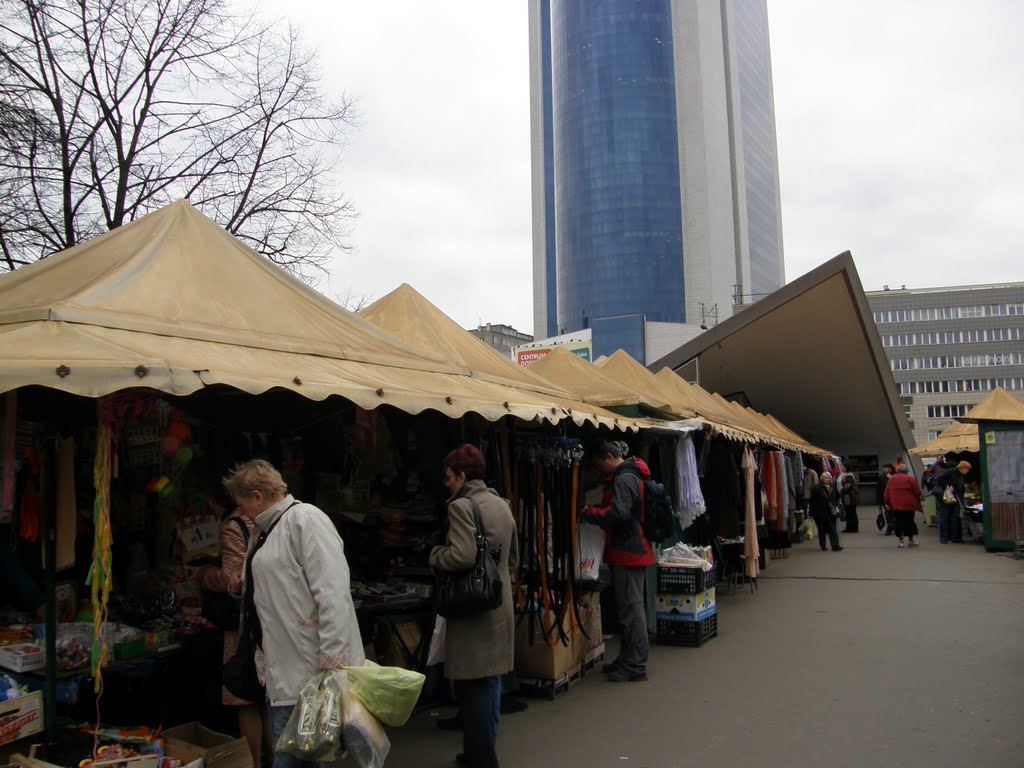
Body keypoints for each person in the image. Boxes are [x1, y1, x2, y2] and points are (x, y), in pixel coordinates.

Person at [223, 459, 364, 768]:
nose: (240, 512)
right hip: (285, 666)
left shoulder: (305, 520)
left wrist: (333, 657)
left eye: (242, 503)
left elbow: (332, 591)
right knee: (304, 756)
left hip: (306, 668)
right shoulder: (267, 530)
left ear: (258, 496)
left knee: (293, 756)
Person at [430, 444, 517, 768]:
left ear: (462, 475)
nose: (446, 484)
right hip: (498, 601)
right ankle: (480, 750)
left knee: (476, 684)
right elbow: (513, 558)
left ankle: (482, 758)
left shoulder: (461, 507)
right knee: (489, 680)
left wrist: (435, 555)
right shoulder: (501, 504)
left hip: (473, 608)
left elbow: (461, 556)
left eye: (449, 477)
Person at [195, 503, 267, 767]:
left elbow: (234, 580)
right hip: (270, 619)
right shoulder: (276, 518)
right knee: (268, 695)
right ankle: (278, 757)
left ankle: (255, 762)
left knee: (244, 696)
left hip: (243, 624)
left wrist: (204, 575)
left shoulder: (235, 525)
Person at [581, 440, 655, 683]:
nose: (600, 470)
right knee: (629, 608)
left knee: (631, 609)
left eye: (600, 464)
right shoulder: (628, 475)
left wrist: (591, 514)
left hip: (628, 551)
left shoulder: (624, 479)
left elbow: (619, 513)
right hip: (629, 549)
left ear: (610, 457)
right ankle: (628, 660)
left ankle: (635, 664)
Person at [883, 464, 923, 548]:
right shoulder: (910, 479)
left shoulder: (891, 479)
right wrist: (918, 501)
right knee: (909, 521)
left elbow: (886, 492)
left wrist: (887, 503)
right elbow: (917, 491)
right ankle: (910, 540)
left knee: (898, 521)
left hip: (896, 504)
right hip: (909, 504)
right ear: (906, 471)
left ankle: (901, 541)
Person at [934, 460, 971, 544]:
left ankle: (955, 537)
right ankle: (944, 537)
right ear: (962, 468)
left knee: (954, 518)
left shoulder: (961, 475)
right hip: (945, 498)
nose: (968, 471)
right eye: (967, 469)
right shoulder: (952, 471)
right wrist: (948, 486)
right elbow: (939, 479)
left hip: (954, 499)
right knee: (945, 517)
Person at [809, 471, 842, 551]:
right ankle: (823, 545)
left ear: (830, 479)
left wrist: (836, 505)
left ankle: (835, 545)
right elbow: (813, 501)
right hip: (820, 512)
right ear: (821, 479)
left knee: (833, 529)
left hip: (831, 511)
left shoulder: (833, 487)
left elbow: (837, 497)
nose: (826, 479)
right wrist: (811, 512)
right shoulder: (816, 488)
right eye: (825, 478)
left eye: (828, 478)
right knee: (821, 530)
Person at [838, 463, 860, 532]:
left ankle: (853, 527)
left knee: (851, 512)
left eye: (842, 467)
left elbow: (848, 486)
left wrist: (841, 490)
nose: (841, 468)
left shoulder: (849, 475)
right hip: (846, 497)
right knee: (848, 512)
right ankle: (849, 527)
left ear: (846, 467)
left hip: (850, 497)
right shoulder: (844, 475)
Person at [876, 463, 895, 535]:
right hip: (885, 498)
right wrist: (879, 500)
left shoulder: (894, 476)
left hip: (894, 498)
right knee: (888, 513)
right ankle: (890, 527)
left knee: (894, 513)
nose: (884, 469)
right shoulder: (882, 477)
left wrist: (891, 478)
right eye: (884, 468)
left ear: (890, 468)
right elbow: (878, 489)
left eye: (886, 468)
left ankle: (893, 526)